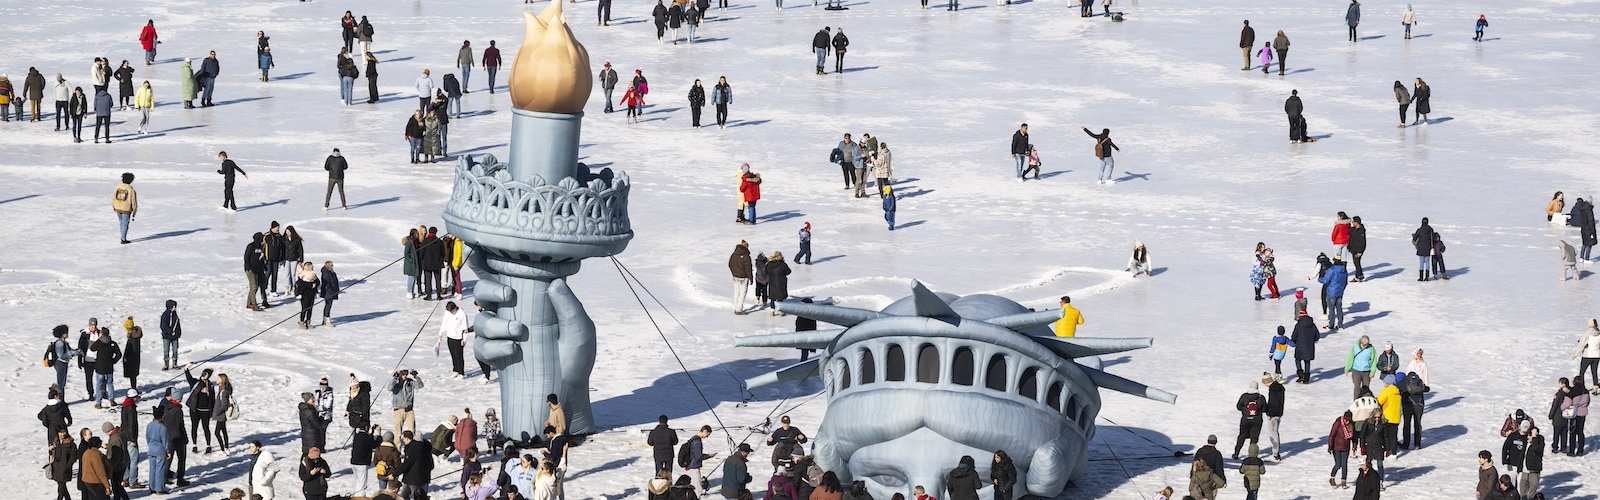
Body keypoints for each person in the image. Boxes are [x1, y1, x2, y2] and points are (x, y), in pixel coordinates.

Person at [396, 430, 435, 500]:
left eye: (404, 439)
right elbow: (431, 465)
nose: (403, 441)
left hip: (412, 479)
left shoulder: (413, 449)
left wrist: (394, 474)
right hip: (422, 479)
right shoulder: (426, 450)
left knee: (405, 497)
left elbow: (406, 464)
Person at [1233, 381, 1266, 459]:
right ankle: (1252, 454)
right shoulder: (1261, 397)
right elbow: (1264, 409)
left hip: (1245, 419)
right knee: (1254, 437)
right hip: (1257, 420)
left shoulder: (1244, 396)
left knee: (1242, 436)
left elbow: (1238, 407)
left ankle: (1236, 453)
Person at [1562, 377, 1590, 456]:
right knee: (1580, 432)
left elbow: (1567, 403)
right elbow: (1588, 402)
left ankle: (1572, 451)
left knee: (1572, 433)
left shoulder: (1572, 391)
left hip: (1573, 414)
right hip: (1583, 413)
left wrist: (1562, 408)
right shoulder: (1586, 391)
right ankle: (1580, 451)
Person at [1319, 256, 1349, 330]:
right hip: (1340, 292)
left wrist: (1320, 279)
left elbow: (1326, 281)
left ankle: (1331, 325)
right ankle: (1340, 324)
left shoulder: (1332, 270)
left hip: (1331, 292)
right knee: (1339, 308)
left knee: (1331, 309)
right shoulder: (1344, 270)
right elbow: (1345, 282)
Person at [146, 407, 170, 495]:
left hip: (151, 449)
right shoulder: (162, 427)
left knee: (152, 468)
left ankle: (152, 486)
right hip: (160, 449)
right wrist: (168, 451)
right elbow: (165, 440)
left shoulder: (149, 425)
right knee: (160, 469)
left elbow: (147, 437)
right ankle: (159, 488)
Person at [1262, 374, 1285, 461]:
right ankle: (1276, 452)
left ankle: (1276, 455)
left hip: (1273, 415)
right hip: (1279, 413)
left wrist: (1269, 414)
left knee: (1273, 434)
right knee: (1275, 432)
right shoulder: (1279, 388)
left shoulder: (1273, 390)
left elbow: (1273, 403)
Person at [1345, 335, 1376, 399]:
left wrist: (1372, 371)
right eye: (1364, 344)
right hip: (1356, 370)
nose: (1365, 346)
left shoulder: (1371, 349)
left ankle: (1365, 402)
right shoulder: (1355, 347)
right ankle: (1356, 402)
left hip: (1366, 371)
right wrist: (1347, 368)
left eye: (1366, 344)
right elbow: (1350, 358)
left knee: (1366, 387)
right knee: (1357, 387)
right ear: (1361, 343)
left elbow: (1374, 360)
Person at [295, 263, 321, 329]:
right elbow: (301, 284)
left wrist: (314, 284)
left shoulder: (313, 274)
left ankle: (308, 322)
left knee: (310, 309)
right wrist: (310, 285)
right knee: (304, 309)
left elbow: (318, 282)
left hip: (312, 294)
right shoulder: (302, 275)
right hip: (304, 294)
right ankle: (301, 322)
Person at [1521, 426, 1543, 498]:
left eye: (1530, 435)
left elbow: (1535, 448)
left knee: (1531, 494)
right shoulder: (1526, 442)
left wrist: (1534, 437)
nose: (1528, 437)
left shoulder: (1540, 442)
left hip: (1534, 471)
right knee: (1522, 493)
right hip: (1524, 471)